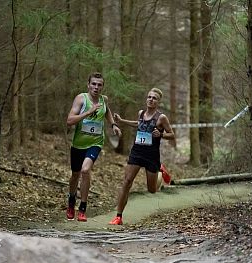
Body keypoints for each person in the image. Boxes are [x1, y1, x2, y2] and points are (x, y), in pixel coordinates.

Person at [109, 88, 175, 225]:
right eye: (149, 97)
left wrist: (161, 135)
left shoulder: (161, 118)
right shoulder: (141, 113)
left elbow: (172, 135)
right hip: (137, 152)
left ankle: (160, 171)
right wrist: (122, 120)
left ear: (158, 102)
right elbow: (138, 124)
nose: (151, 99)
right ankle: (118, 217)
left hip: (151, 155)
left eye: (154, 98)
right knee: (127, 182)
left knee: (152, 190)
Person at [66, 72, 122, 222]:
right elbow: (70, 120)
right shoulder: (81, 99)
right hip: (78, 144)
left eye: (99, 85)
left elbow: (107, 111)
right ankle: (71, 202)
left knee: (85, 170)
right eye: (94, 84)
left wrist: (113, 125)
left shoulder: (104, 100)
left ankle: (83, 209)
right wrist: (88, 112)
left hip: (95, 143)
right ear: (88, 85)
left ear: (103, 86)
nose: (96, 87)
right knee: (75, 175)